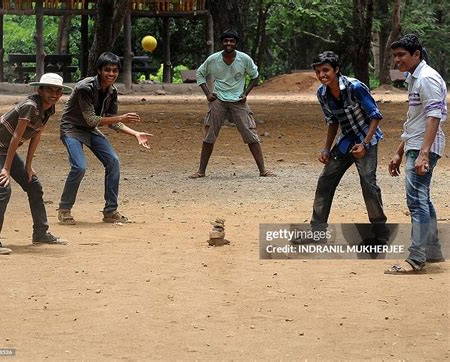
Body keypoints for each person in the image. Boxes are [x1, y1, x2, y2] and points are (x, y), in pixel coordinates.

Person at [294, 51, 388, 244]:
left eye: (326, 70)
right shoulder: (322, 93)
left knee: (368, 185)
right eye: (318, 71)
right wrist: (326, 148)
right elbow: (332, 121)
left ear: (336, 70)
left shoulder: (355, 87)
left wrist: (364, 144)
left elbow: (375, 116)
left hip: (366, 140)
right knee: (325, 182)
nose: (322, 75)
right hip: (346, 141)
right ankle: (318, 233)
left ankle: (380, 234)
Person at [0, 73, 72, 255]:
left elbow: (36, 135)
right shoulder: (29, 106)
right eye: (50, 90)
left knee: (33, 185)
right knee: (3, 188)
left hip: (5, 150)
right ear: (40, 90)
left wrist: (28, 166)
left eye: (58, 91)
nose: (54, 94)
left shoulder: (49, 108)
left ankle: (41, 233)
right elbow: (16, 137)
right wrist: (6, 168)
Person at [57, 52, 152, 225]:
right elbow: (92, 119)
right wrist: (121, 118)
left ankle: (110, 211)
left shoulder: (112, 91)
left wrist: (135, 133)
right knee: (79, 167)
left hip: (90, 129)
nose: (111, 74)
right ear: (99, 70)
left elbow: (112, 122)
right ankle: (64, 210)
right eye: (107, 70)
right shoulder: (84, 87)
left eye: (115, 71)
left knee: (113, 161)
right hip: (71, 128)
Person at [386, 34, 446, 274]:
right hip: (416, 144)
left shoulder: (427, 78)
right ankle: (431, 251)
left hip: (424, 146)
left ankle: (416, 259)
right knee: (424, 199)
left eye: (401, 55)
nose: (397, 60)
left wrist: (423, 153)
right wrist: (399, 151)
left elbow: (434, 117)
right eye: (395, 55)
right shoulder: (415, 78)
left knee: (417, 200)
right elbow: (415, 120)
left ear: (416, 54)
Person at [189, 30, 274, 178]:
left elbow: (255, 76)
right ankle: (201, 171)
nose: (228, 44)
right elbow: (200, 74)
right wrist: (208, 94)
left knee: (250, 134)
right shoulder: (213, 59)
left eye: (232, 41)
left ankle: (263, 170)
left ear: (236, 43)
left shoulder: (244, 59)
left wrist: (245, 94)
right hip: (219, 100)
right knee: (209, 135)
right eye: (226, 41)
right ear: (222, 43)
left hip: (238, 101)